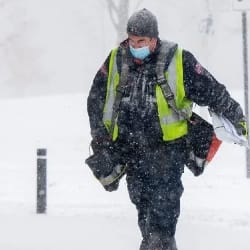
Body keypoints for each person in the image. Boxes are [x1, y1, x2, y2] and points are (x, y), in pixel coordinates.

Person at [86, 8, 248, 250]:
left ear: (154, 39)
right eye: (132, 40)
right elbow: (95, 98)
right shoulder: (116, 60)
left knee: (162, 222)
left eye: (141, 41)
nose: (135, 45)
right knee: (145, 217)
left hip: (167, 154)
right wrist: (99, 135)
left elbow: (212, 90)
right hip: (132, 154)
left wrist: (236, 116)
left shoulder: (178, 59)